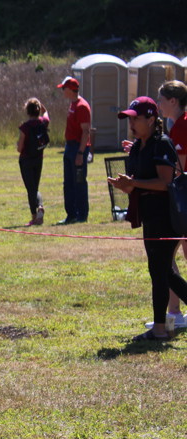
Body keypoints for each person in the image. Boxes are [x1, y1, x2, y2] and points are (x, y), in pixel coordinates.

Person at [107, 97, 187, 341]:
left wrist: (134, 183)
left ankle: (160, 329)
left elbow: (164, 182)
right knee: (163, 270)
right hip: (148, 214)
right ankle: (160, 327)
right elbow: (138, 182)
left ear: (151, 119)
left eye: (135, 118)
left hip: (166, 215)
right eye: (129, 119)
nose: (131, 123)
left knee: (159, 270)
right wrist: (126, 186)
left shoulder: (161, 144)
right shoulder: (138, 147)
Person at [154, 81, 187, 329]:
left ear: (173, 101)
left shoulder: (183, 125)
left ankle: (175, 312)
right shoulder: (176, 125)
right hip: (180, 199)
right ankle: (174, 312)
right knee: (168, 255)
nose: (159, 104)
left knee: (169, 254)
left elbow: (180, 167)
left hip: (183, 199)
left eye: (161, 99)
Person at [57, 76, 92, 224]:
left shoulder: (81, 106)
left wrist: (80, 153)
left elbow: (86, 131)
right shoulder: (73, 104)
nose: (62, 91)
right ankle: (71, 214)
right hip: (70, 146)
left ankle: (81, 215)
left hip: (78, 148)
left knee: (79, 182)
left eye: (64, 89)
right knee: (68, 183)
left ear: (71, 90)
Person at [18, 98, 50, 226]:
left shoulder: (24, 127)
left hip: (26, 160)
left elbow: (19, 148)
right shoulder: (43, 122)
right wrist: (40, 105)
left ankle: (35, 216)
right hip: (38, 158)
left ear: (27, 111)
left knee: (30, 189)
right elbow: (46, 113)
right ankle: (39, 209)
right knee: (35, 187)